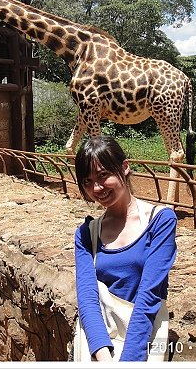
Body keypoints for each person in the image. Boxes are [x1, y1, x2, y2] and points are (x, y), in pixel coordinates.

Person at [73, 135, 177, 362]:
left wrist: (129, 359)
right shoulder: (86, 234)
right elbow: (87, 297)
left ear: (125, 168)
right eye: (88, 181)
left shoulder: (160, 222)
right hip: (101, 346)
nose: (97, 188)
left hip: (143, 340)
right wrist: (102, 353)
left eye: (103, 176)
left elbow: (149, 294)